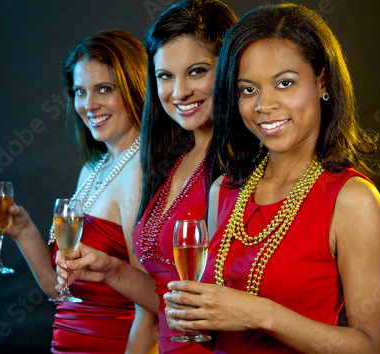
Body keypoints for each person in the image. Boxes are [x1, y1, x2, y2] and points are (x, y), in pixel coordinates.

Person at [163, 3, 380, 353]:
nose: (263, 105)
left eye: (284, 83)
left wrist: (262, 314)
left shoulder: (352, 200)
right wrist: (197, 318)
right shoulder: (222, 192)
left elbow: (373, 348)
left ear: (322, 82)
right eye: (248, 89)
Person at [55, 1, 237, 352]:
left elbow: (233, 309)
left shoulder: (241, 167)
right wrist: (111, 271)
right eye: (165, 76)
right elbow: (163, 305)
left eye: (197, 71)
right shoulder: (171, 163)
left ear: (229, 67)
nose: (179, 92)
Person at [0, 30, 158, 353]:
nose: (89, 105)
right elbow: (59, 288)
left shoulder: (139, 175)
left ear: (135, 87)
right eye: (79, 91)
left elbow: (151, 306)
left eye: (104, 89)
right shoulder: (93, 168)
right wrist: (23, 231)